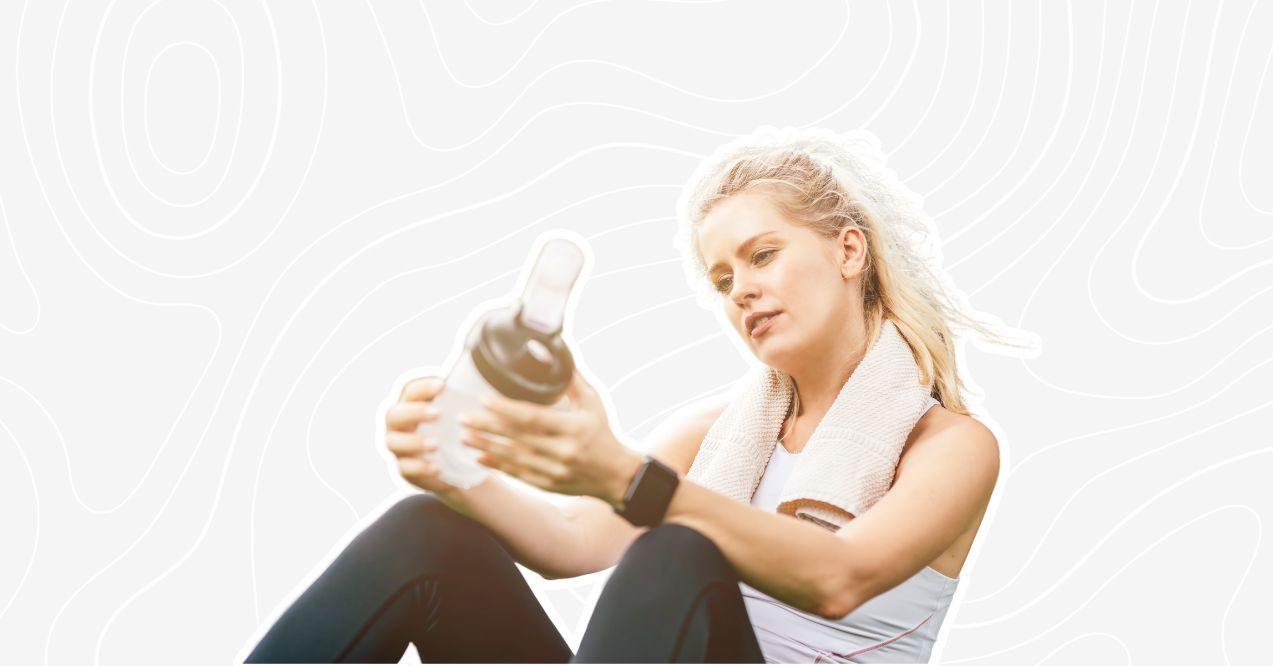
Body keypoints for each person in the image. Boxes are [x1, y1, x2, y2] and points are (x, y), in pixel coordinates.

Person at [244, 127, 1022, 663]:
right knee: (428, 531)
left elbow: (836, 575)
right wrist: (455, 471)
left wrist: (628, 477)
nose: (742, 291)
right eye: (723, 280)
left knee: (676, 548)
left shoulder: (950, 446)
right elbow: (569, 542)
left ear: (848, 250)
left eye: (761, 256)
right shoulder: (712, 433)